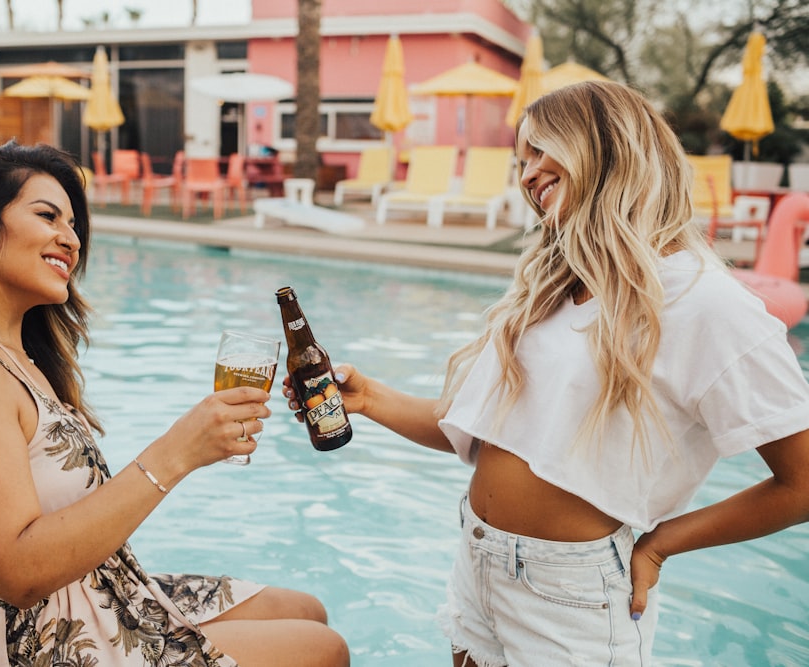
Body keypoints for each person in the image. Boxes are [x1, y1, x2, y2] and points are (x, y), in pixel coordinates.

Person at [284, 81, 809, 666]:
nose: (528, 172)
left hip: (575, 595)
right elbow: (485, 435)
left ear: (608, 146)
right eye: (521, 160)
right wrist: (370, 397)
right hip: (477, 559)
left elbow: (803, 482)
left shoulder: (705, 302)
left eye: (541, 150)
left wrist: (662, 547)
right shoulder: (554, 290)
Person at [0, 141, 349, 667]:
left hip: (95, 592)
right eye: (47, 216)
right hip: (36, 638)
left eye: (74, 224)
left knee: (307, 609)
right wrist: (177, 453)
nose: (70, 238)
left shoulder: (10, 353)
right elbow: (16, 572)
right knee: (323, 651)